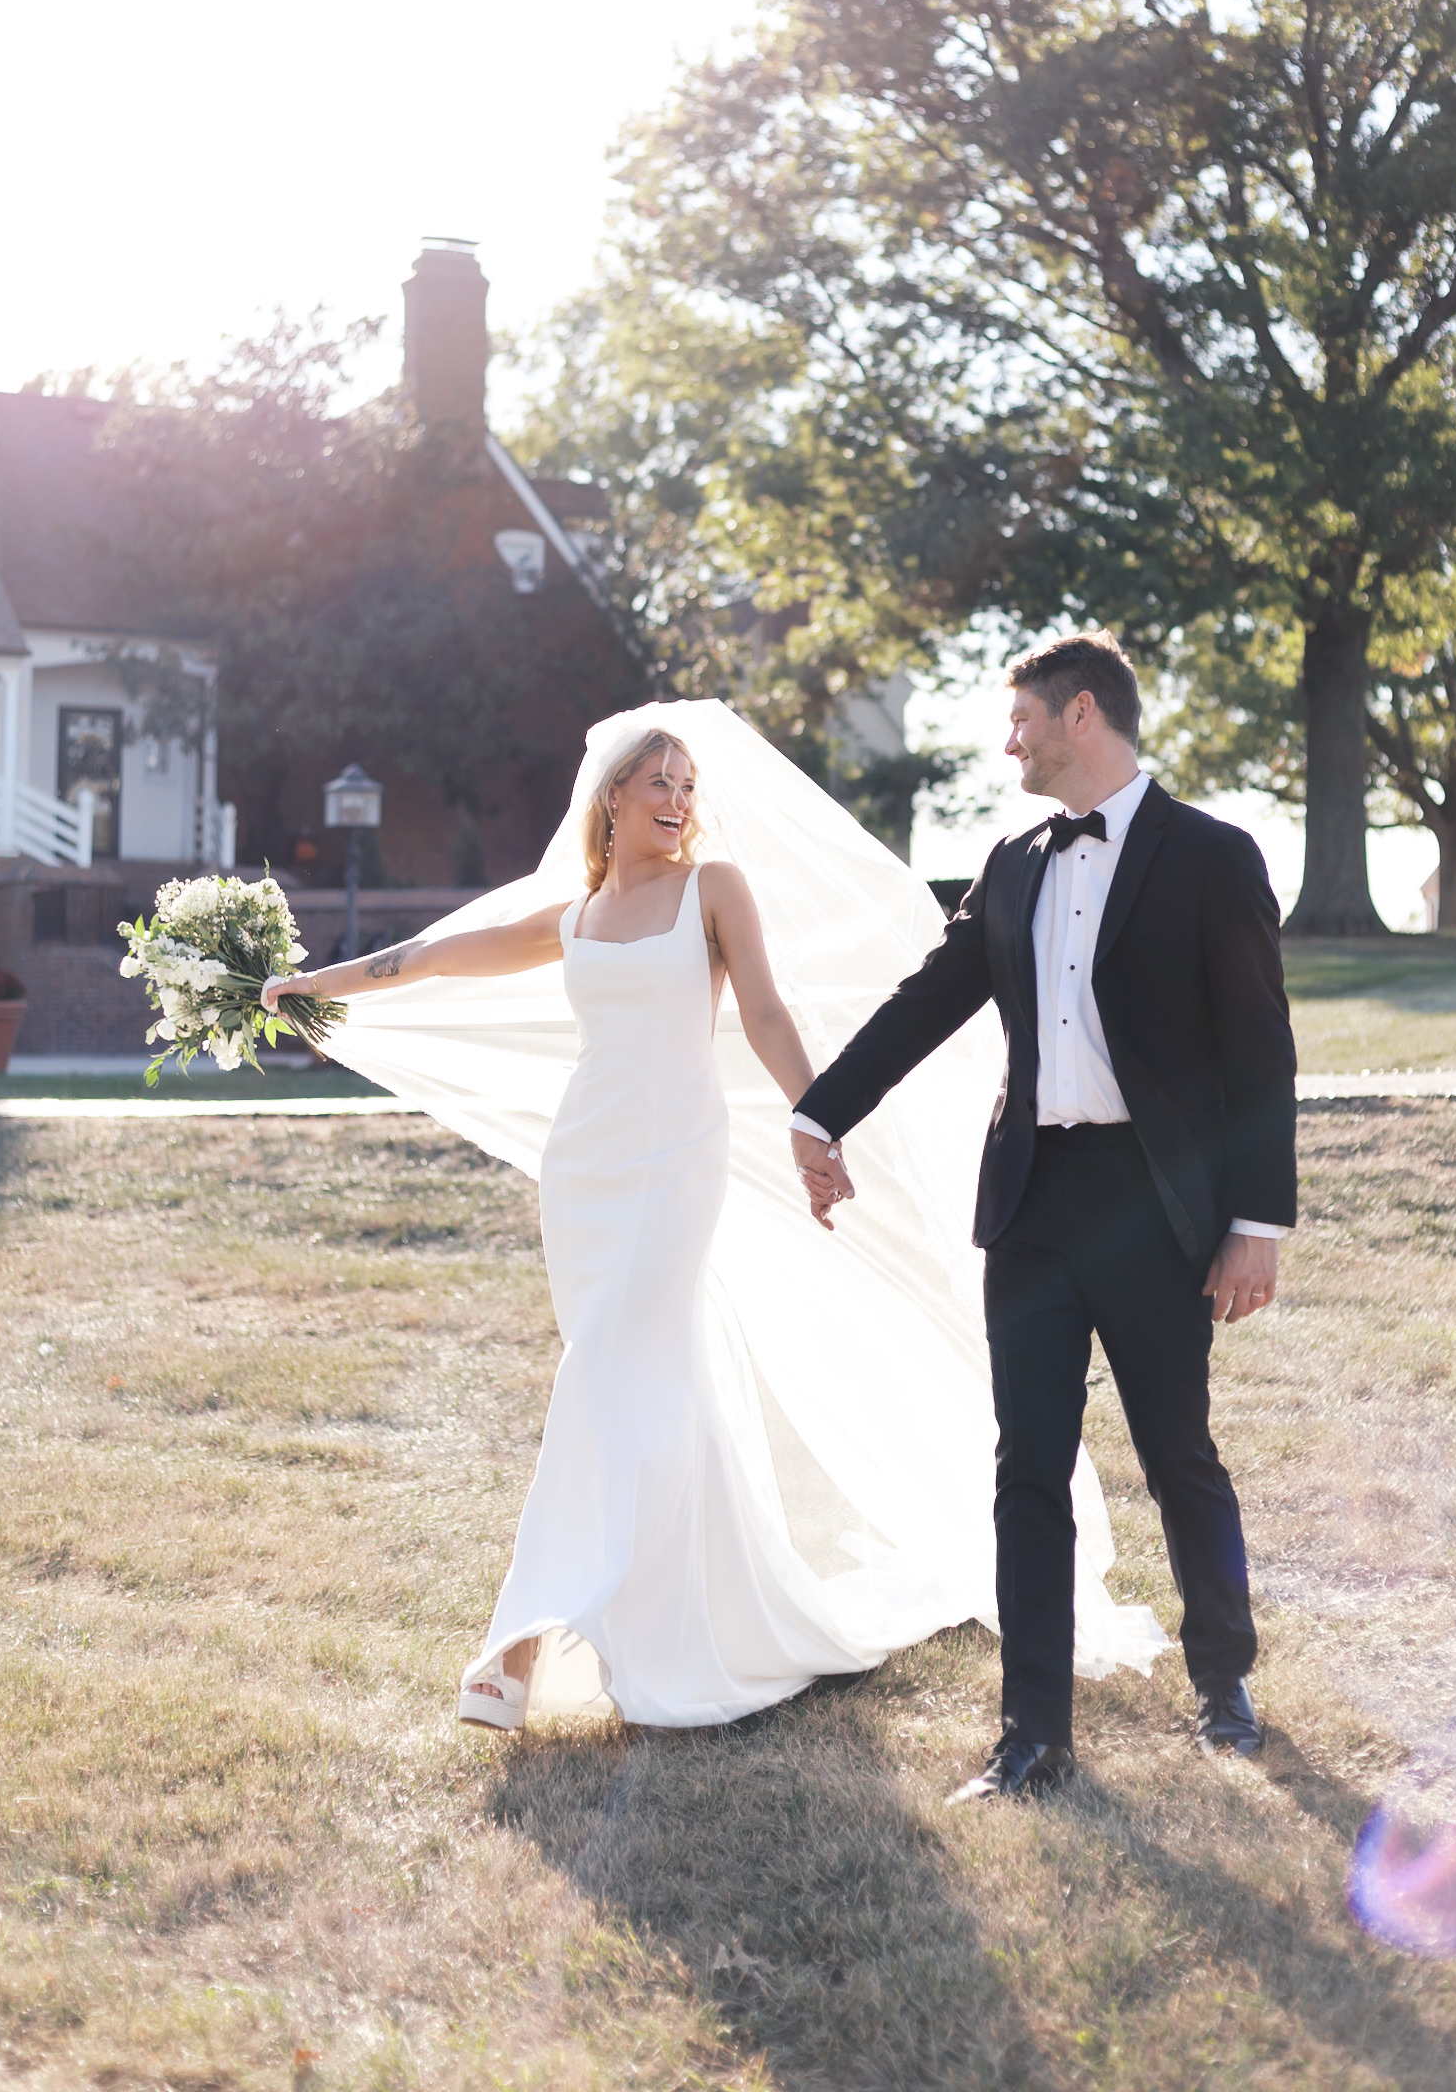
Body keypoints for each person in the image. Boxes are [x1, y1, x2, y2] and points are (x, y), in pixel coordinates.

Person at [264, 702, 1169, 1732]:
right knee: (643, 1378)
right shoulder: (578, 914)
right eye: (658, 782)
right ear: (611, 797)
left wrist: (822, 1122)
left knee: (604, 1369)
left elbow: (770, 1013)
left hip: (672, 1165)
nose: (677, 800)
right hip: (587, 1169)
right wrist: (312, 986)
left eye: (688, 786)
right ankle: (692, 1606)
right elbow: (434, 955)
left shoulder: (714, 890)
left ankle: (520, 1641)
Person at [791, 632, 1296, 1801]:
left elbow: (1261, 1050)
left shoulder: (1214, 856)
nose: (1006, 740)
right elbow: (929, 1000)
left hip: (1157, 1204)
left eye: (1018, 718)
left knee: (1179, 1454)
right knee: (1026, 1464)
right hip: (1029, 1203)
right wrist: (823, 1111)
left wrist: (1257, 1218)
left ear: (1079, 714)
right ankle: (1033, 1736)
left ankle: (1225, 1683)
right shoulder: (1012, 862)